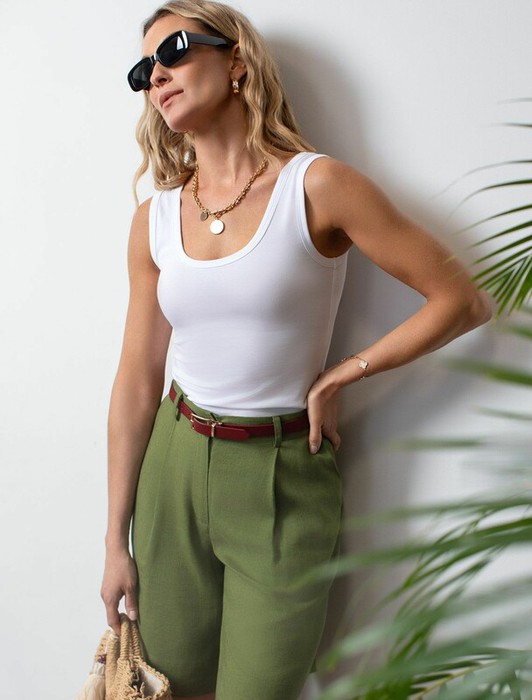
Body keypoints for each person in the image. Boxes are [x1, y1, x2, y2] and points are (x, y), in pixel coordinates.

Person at [99, 1, 493, 699]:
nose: (155, 75)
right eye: (143, 69)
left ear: (237, 60)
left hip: (282, 471)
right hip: (173, 466)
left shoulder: (318, 186)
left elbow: (461, 299)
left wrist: (346, 373)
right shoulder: (153, 219)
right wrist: (113, 539)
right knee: (170, 688)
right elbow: (136, 378)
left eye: (175, 50)